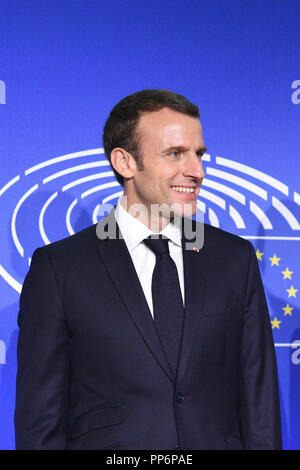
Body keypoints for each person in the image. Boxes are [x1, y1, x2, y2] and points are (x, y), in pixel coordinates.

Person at [14, 89, 282, 450]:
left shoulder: (235, 259)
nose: (197, 171)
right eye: (175, 154)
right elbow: (39, 421)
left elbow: (259, 401)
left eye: (198, 154)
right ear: (125, 163)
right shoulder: (59, 269)